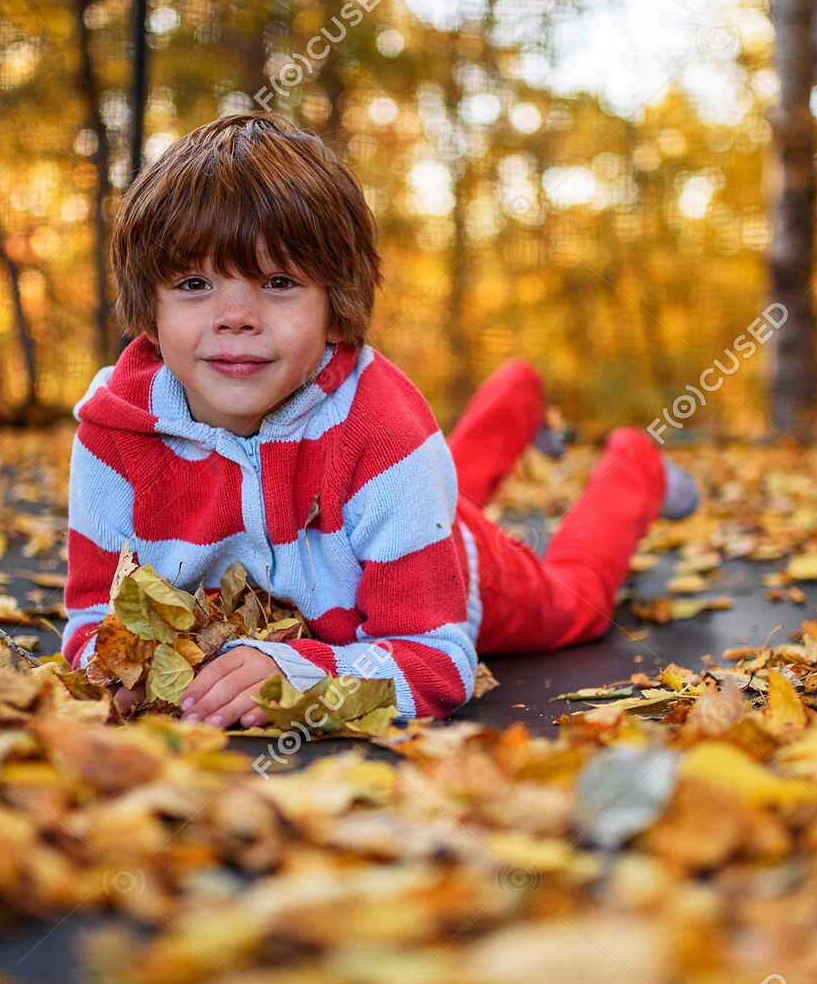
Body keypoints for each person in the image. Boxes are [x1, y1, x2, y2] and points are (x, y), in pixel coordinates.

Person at [61, 112, 699, 728]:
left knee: (577, 600)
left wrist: (299, 677)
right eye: (195, 285)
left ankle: (635, 465)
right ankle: (517, 395)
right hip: (374, 524)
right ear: (149, 308)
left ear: (337, 309)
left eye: (279, 282)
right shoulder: (114, 436)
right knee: (430, 491)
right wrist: (122, 670)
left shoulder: (388, 437)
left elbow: (438, 663)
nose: (235, 315)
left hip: (459, 569)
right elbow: (92, 627)